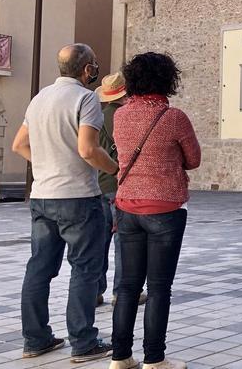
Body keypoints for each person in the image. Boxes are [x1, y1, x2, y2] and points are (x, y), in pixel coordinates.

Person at [12, 44, 118, 362]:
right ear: (86, 69)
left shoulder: (39, 99)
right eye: (94, 65)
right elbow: (87, 149)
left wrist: (46, 164)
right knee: (85, 269)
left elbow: (19, 144)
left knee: (39, 269)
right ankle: (83, 342)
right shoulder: (86, 99)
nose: (95, 70)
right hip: (78, 198)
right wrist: (115, 168)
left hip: (43, 195)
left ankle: (36, 339)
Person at [108, 52, 201, 369]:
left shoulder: (120, 116)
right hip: (165, 208)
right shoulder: (174, 118)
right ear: (167, 80)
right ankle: (154, 358)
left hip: (127, 207)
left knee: (128, 286)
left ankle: (120, 356)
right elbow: (193, 160)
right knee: (159, 287)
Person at [94, 72, 147, 308]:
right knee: (124, 242)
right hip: (122, 184)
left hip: (97, 184)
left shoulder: (95, 116)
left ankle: (94, 291)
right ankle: (122, 292)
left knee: (98, 243)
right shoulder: (128, 117)